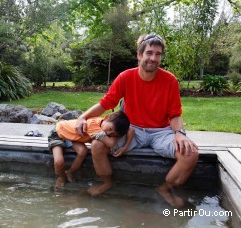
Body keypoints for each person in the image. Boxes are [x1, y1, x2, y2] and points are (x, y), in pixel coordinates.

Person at [75, 33, 199, 203]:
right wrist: (82, 117)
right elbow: (106, 103)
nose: (153, 58)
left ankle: (164, 189)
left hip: (161, 132)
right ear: (140, 55)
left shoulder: (170, 80)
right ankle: (107, 183)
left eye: (158, 54)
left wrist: (180, 133)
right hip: (132, 130)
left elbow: (175, 114)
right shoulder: (125, 77)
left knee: (190, 153)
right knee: (97, 145)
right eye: (149, 53)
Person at [48, 110, 134, 189]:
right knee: (59, 161)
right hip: (58, 133)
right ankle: (60, 177)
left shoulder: (104, 126)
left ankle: (70, 171)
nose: (108, 133)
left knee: (82, 151)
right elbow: (110, 143)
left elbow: (131, 130)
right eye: (110, 129)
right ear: (107, 117)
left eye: (112, 134)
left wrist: (125, 147)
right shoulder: (93, 125)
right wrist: (115, 136)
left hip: (70, 138)